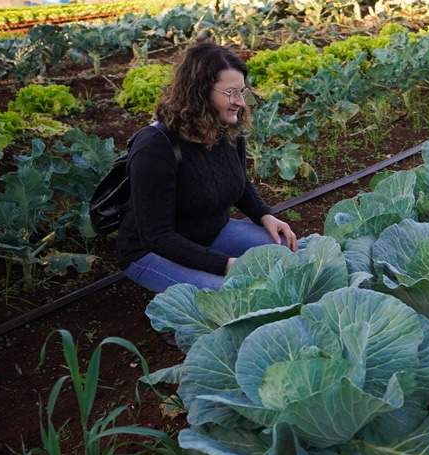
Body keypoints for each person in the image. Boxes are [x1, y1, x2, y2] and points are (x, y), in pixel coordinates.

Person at [116, 42, 297, 293]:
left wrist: (264, 214)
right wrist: (225, 265)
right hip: (152, 252)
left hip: (211, 233)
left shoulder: (226, 128)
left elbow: (239, 182)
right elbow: (158, 236)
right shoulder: (155, 147)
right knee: (230, 294)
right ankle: (177, 324)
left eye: (242, 92)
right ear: (199, 92)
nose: (241, 102)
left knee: (288, 253)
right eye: (231, 93)